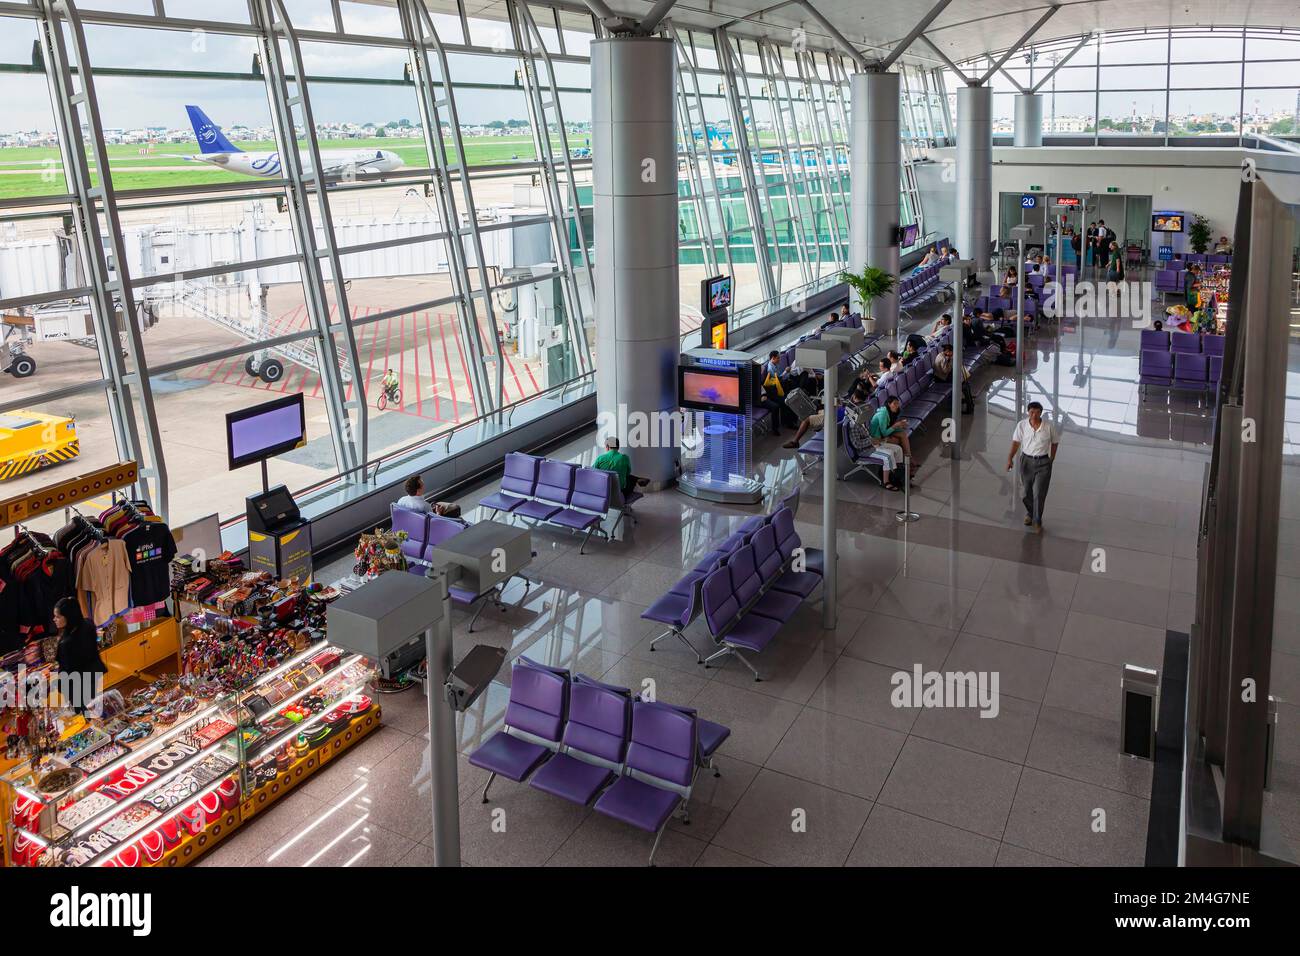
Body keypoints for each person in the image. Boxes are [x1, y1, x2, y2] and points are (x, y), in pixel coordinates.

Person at [1006, 400, 1060, 533]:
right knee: (1025, 493)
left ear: (1041, 413)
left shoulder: (1048, 427)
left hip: (1043, 463)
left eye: (1037, 412)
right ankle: (1030, 513)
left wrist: (1051, 458)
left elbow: (1055, 442)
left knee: (1039, 494)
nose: (1034, 415)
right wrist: (1010, 458)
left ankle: (1037, 520)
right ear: (1028, 412)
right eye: (1031, 412)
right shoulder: (1022, 425)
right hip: (1026, 461)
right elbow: (1016, 442)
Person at [53, 597, 107, 714]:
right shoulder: (88, 624)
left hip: (77, 686)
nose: (54, 619)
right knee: (95, 708)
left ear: (68, 616)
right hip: (93, 675)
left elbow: (66, 672)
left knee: (84, 714)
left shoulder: (67, 643)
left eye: (58, 616)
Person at [870, 396, 919, 482]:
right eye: (894, 404)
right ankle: (902, 466)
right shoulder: (883, 414)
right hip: (877, 437)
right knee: (897, 441)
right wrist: (896, 425)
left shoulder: (891, 412)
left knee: (902, 434)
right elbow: (884, 432)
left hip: (884, 433)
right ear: (889, 404)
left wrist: (901, 425)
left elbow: (890, 426)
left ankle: (908, 459)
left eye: (897, 403)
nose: (897, 406)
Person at [933, 342, 974, 414]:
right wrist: (950, 361)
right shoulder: (942, 358)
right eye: (952, 352)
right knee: (964, 386)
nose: (952, 354)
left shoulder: (945, 356)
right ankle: (969, 405)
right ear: (947, 351)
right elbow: (945, 371)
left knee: (965, 384)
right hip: (941, 379)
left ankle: (970, 404)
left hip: (945, 376)